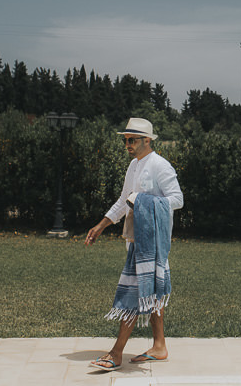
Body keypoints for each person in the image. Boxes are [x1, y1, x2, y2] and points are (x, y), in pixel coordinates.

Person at [85, 118, 184, 372]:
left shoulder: (161, 166)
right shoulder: (133, 165)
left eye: (132, 140)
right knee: (151, 291)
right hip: (135, 238)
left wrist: (142, 200)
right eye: (126, 139)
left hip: (152, 241)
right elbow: (122, 201)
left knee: (133, 292)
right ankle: (159, 345)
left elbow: (177, 199)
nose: (127, 144)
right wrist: (100, 226)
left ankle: (116, 353)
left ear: (147, 141)